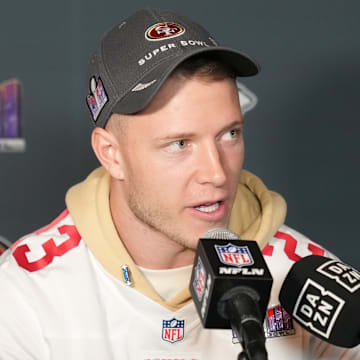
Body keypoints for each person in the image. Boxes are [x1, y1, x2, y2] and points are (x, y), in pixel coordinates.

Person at [0, 8, 358, 360]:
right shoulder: (28, 294)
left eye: (229, 134)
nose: (216, 173)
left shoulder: (308, 284)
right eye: (179, 144)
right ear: (111, 154)